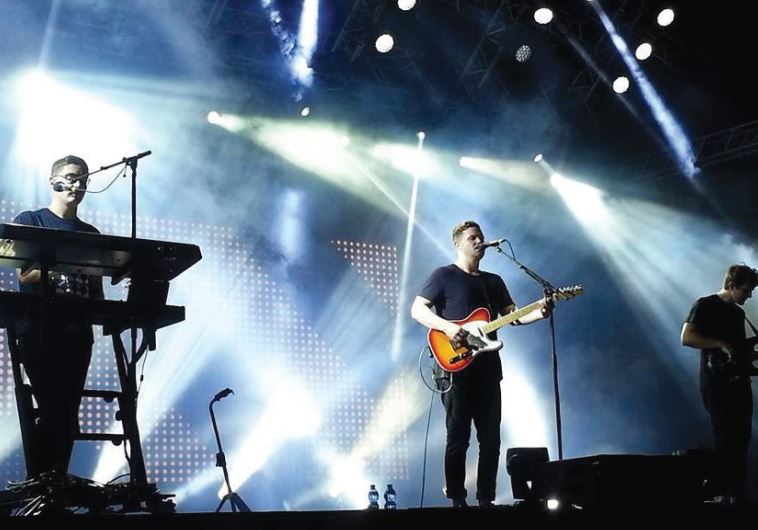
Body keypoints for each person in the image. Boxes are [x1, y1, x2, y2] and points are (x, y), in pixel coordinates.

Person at [410, 220, 551, 507]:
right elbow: (417, 309)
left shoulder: (493, 282)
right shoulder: (443, 276)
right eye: (472, 237)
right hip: (455, 368)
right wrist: (449, 327)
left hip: (488, 370)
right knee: (458, 437)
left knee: (491, 440)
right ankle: (457, 499)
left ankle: (486, 500)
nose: (479, 241)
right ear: (458, 243)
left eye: (481, 236)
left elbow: (513, 316)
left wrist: (540, 312)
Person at [12, 155, 103, 477]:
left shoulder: (91, 233)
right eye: (72, 177)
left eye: (84, 180)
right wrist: (66, 264)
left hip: (77, 334)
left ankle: (53, 481)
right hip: (40, 328)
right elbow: (24, 274)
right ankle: (43, 482)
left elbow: (96, 289)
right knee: (54, 409)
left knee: (68, 412)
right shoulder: (32, 220)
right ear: (54, 180)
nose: (78, 185)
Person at [681, 264, 758, 505]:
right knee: (725, 436)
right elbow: (687, 337)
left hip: (740, 384)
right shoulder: (705, 305)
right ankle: (719, 492)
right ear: (732, 284)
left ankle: (735, 494)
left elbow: (738, 353)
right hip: (717, 384)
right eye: (747, 290)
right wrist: (718, 344)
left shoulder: (738, 314)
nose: (750, 295)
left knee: (742, 438)